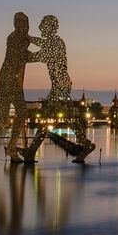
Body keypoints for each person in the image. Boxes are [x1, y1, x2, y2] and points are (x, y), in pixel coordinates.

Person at [31, 15, 95, 162]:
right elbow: (42, 44)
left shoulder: (57, 42)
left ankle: (86, 145)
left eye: (43, 25)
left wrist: (23, 55)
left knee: (48, 117)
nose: (40, 27)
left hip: (61, 84)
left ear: (50, 28)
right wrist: (28, 38)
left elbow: (42, 54)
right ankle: (85, 145)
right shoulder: (52, 42)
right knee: (58, 118)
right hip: (60, 84)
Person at [0, 12, 35, 164]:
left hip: (16, 83)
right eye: (23, 24)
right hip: (8, 81)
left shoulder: (22, 38)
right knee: (3, 119)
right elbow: (22, 56)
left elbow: (26, 55)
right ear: (16, 25)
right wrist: (44, 55)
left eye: (27, 25)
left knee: (22, 113)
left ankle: (11, 147)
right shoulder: (14, 38)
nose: (26, 28)